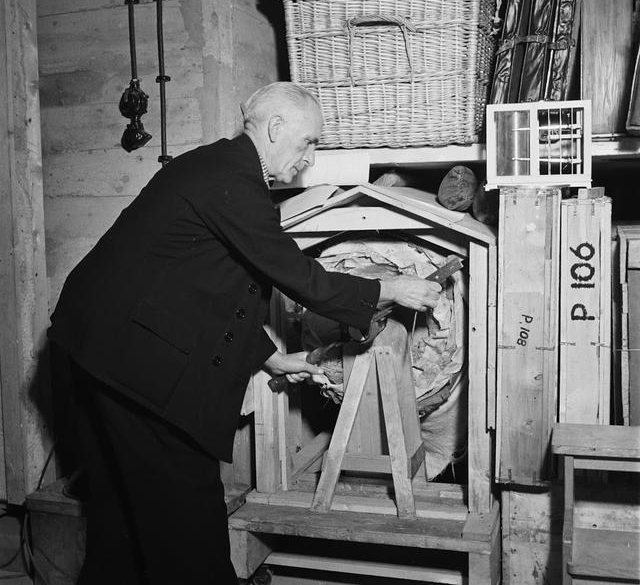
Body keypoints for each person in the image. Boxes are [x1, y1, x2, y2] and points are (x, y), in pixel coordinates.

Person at [48, 82, 442, 584]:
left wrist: (269, 357)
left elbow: (208, 291)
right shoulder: (230, 177)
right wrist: (391, 287)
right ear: (276, 128)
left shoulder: (225, 173)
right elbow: (296, 275)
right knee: (185, 511)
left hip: (100, 347)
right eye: (309, 142)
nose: (310, 159)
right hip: (126, 360)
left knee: (123, 517)